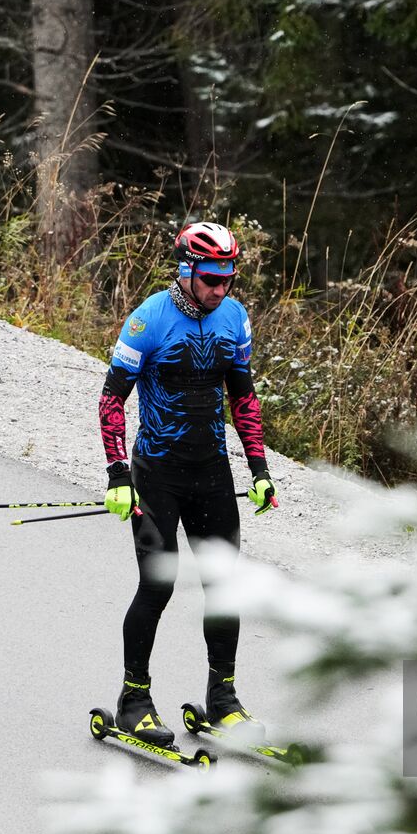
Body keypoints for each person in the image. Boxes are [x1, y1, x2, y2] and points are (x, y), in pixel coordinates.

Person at [97, 220, 279, 748]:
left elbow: (243, 397)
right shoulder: (147, 321)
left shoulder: (235, 318)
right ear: (186, 270)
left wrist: (260, 470)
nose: (220, 290)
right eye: (210, 279)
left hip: (212, 475)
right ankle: (134, 700)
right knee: (158, 586)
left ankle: (222, 700)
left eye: (228, 279)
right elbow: (111, 401)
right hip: (157, 475)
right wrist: (118, 475)